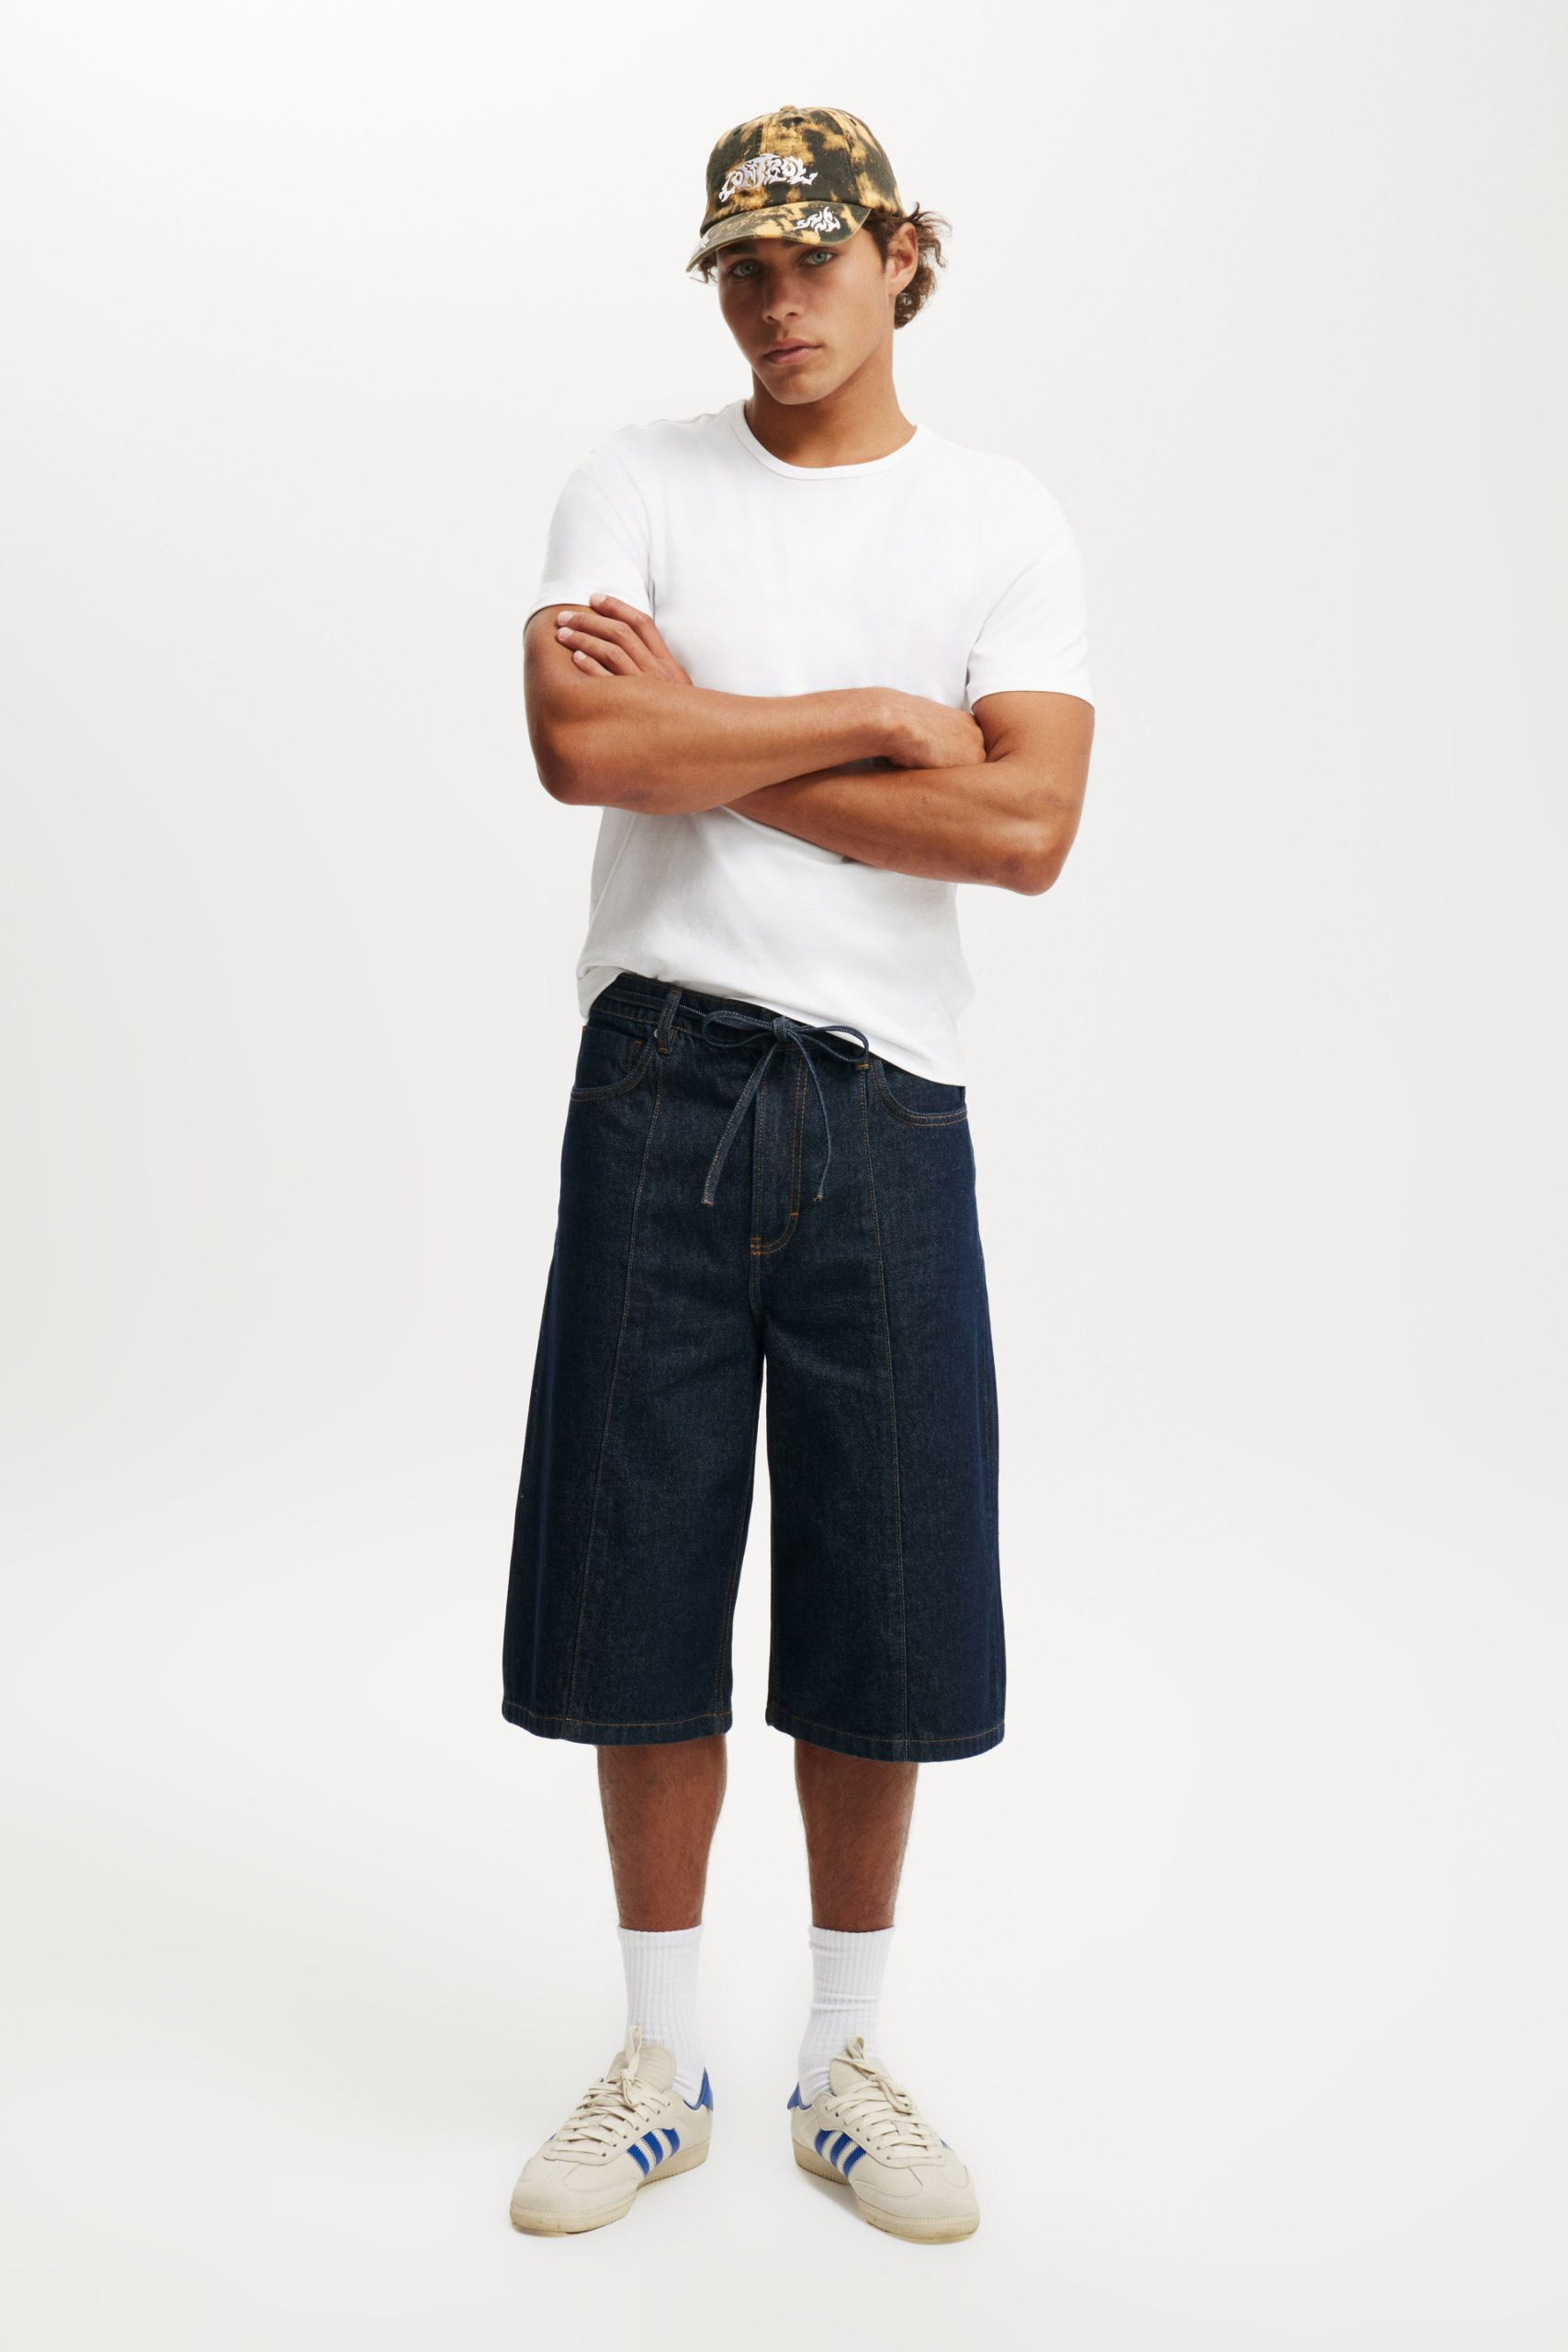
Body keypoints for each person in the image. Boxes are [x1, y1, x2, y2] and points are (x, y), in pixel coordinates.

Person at [502, 102, 1095, 2244]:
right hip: (658, 1074)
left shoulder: (999, 516)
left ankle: (843, 2054)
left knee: (886, 1584)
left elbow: (1023, 830)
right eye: (740, 267)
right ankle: (658, 2055)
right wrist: (870, 716)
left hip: (883, 1099)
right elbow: (585, 746)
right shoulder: (634, 480)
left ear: (898, 252)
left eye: (812, 258)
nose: (774, 301)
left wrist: (716, 732)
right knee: (633, 1565)